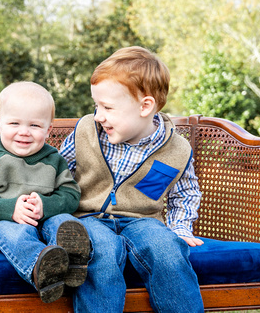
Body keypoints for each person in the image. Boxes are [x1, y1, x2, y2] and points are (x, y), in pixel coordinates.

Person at [60, 46, 204, 312]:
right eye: (96, 105)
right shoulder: (87, 132)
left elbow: (185, 194)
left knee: (167, 250)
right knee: (100, 252)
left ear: (145, 106)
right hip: (88, 218)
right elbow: (57, 174)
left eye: (107, 107)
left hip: (143, 221)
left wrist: (180, 227)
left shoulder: (177, 149)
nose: (98, 115)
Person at [0, 81, 90, 304]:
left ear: (48, 129)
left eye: (34, 125)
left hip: (43, 227)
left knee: (63, 222)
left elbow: (71, 194)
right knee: (16, 234)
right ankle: (42, 271)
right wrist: (10, 209)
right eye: (14, 123)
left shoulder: (54, 160)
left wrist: (46, 206)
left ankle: (73, 264)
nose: (24, 132)